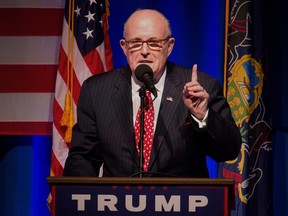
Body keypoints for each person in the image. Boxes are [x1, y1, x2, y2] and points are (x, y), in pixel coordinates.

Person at [63, 9, 241, 178]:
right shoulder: (96, 91)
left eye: (154, 43)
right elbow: (83, 158)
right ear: (124, 47)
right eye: (136, 43)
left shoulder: (201, 86)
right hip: (118, 205)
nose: (145, 51)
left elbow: (229, 150)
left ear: (169, 46)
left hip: (182, 205)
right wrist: (70, 194)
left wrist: (203, 116)